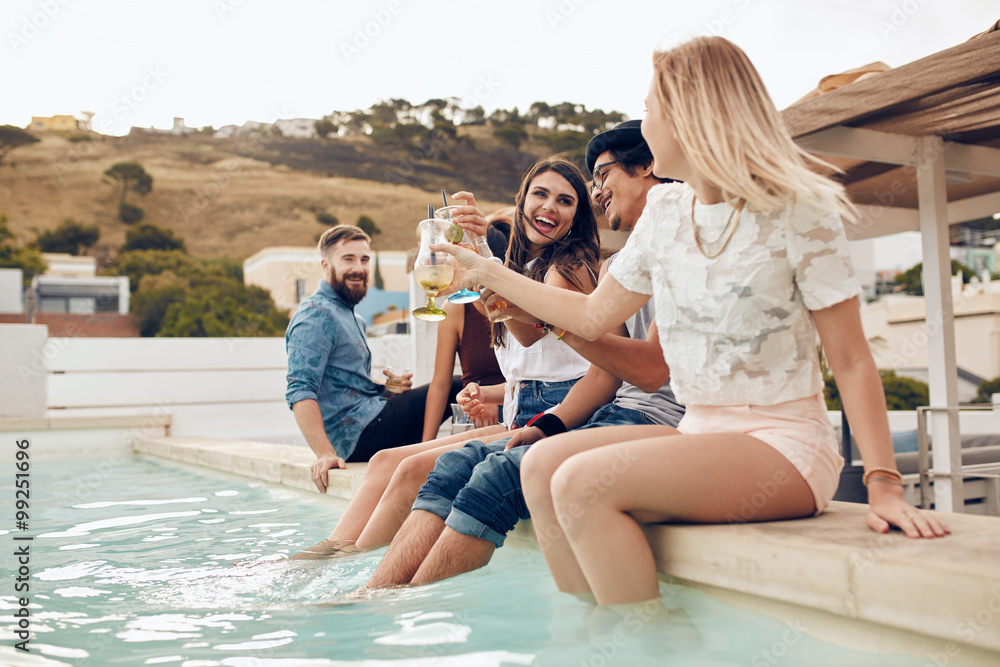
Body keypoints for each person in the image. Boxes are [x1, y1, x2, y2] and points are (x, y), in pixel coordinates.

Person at [434, 37, 949, 606]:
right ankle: (591, 635)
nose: (645, 122)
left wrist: (884, 485)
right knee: (540, 467)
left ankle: (641, 644)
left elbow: (852, 360)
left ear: (691, 114)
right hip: (698, 431)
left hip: (783, 442)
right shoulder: (668, 214)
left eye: (652, 108)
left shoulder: (800, 210)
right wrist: (486, 269)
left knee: (579, 485)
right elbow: (592, 313)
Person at [363, 120, 685, 589]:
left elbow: (643, 365)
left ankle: (406, 604)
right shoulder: (622, 262)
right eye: (590, 183)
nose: (598, 193)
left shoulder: (619, 253)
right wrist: (546, 425)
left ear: (648, 166)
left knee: (497, 474)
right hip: (601, 409)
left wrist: (497, 280)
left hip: (658, 418)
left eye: (600, 177)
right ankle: (378, 594)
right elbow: (602, 368)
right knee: (454, 465)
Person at [295, 156, 601, 555]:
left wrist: (481, 253)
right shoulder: (528, 268)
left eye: (565, 201)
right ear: (523, 200)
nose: (549, 207)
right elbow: (537, 353)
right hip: (522, 410)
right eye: (540, 194)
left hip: (557, 419)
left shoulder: (565, 268)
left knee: (407, 470)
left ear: (577, 216)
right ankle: (325, 557)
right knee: (386, 460)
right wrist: (477, 251)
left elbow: (528, 334)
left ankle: (347, 576)